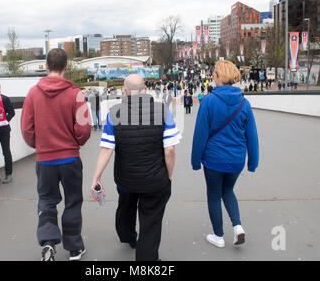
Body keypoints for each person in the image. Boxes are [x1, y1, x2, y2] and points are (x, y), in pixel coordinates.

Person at [90, 74, 181, 261]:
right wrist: (169, 175)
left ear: (125, 91)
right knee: (151, 221)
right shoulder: (163, 111)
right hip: (155, 180)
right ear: (146, 89)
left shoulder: (113, 113)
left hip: (126, 179)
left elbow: (107, 149)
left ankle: (128, 236)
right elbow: (169, 149)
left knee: (126, 206)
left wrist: (96, 178)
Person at [21, 48, 92, 261]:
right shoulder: (75, 94)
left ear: (46, 65)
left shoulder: (33, 93)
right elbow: (84, 127)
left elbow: (26, 128)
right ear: (66, 66)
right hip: (69, 158)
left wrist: (39, 145)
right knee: (72, 201)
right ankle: (74, 248)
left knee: (46, 200)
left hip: (45, 160)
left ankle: (49, 242)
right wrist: (75, 142)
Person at [191, 60, 259, 249]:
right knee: (228, 191)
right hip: (236, 159)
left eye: (214, 74)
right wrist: (252, 162)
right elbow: (252, 136)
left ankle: (219, 235)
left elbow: (200, 134)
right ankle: (237, 227)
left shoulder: (208, 101)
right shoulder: (244, 104)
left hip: (213, 159)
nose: (213, 77)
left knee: (213, 194)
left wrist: (195, 160)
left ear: (219, 77)